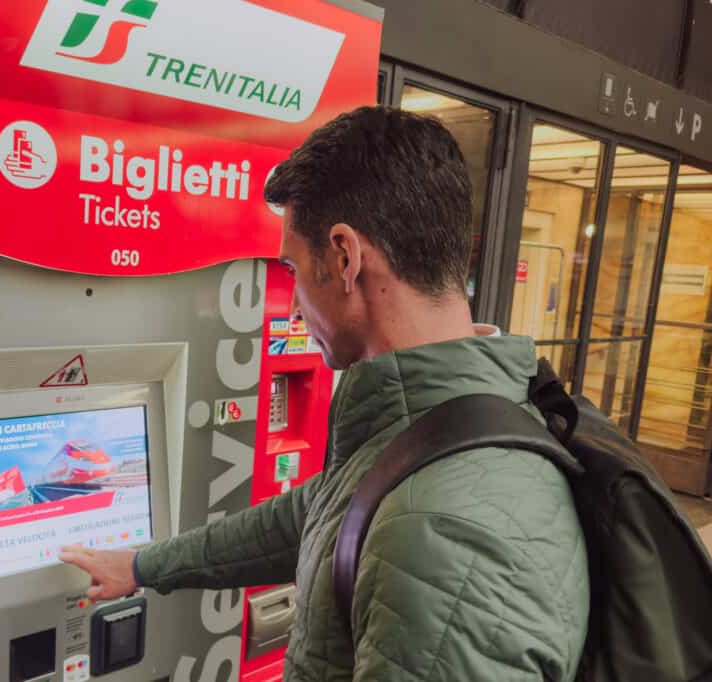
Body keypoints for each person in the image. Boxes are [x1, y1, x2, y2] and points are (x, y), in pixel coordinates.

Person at [61, 106, 589, 681]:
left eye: (292, 269)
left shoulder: (442, 533)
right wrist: (142, 565)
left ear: (344, 257)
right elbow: (309, 514)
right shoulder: (442, 421)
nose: (292, 306)